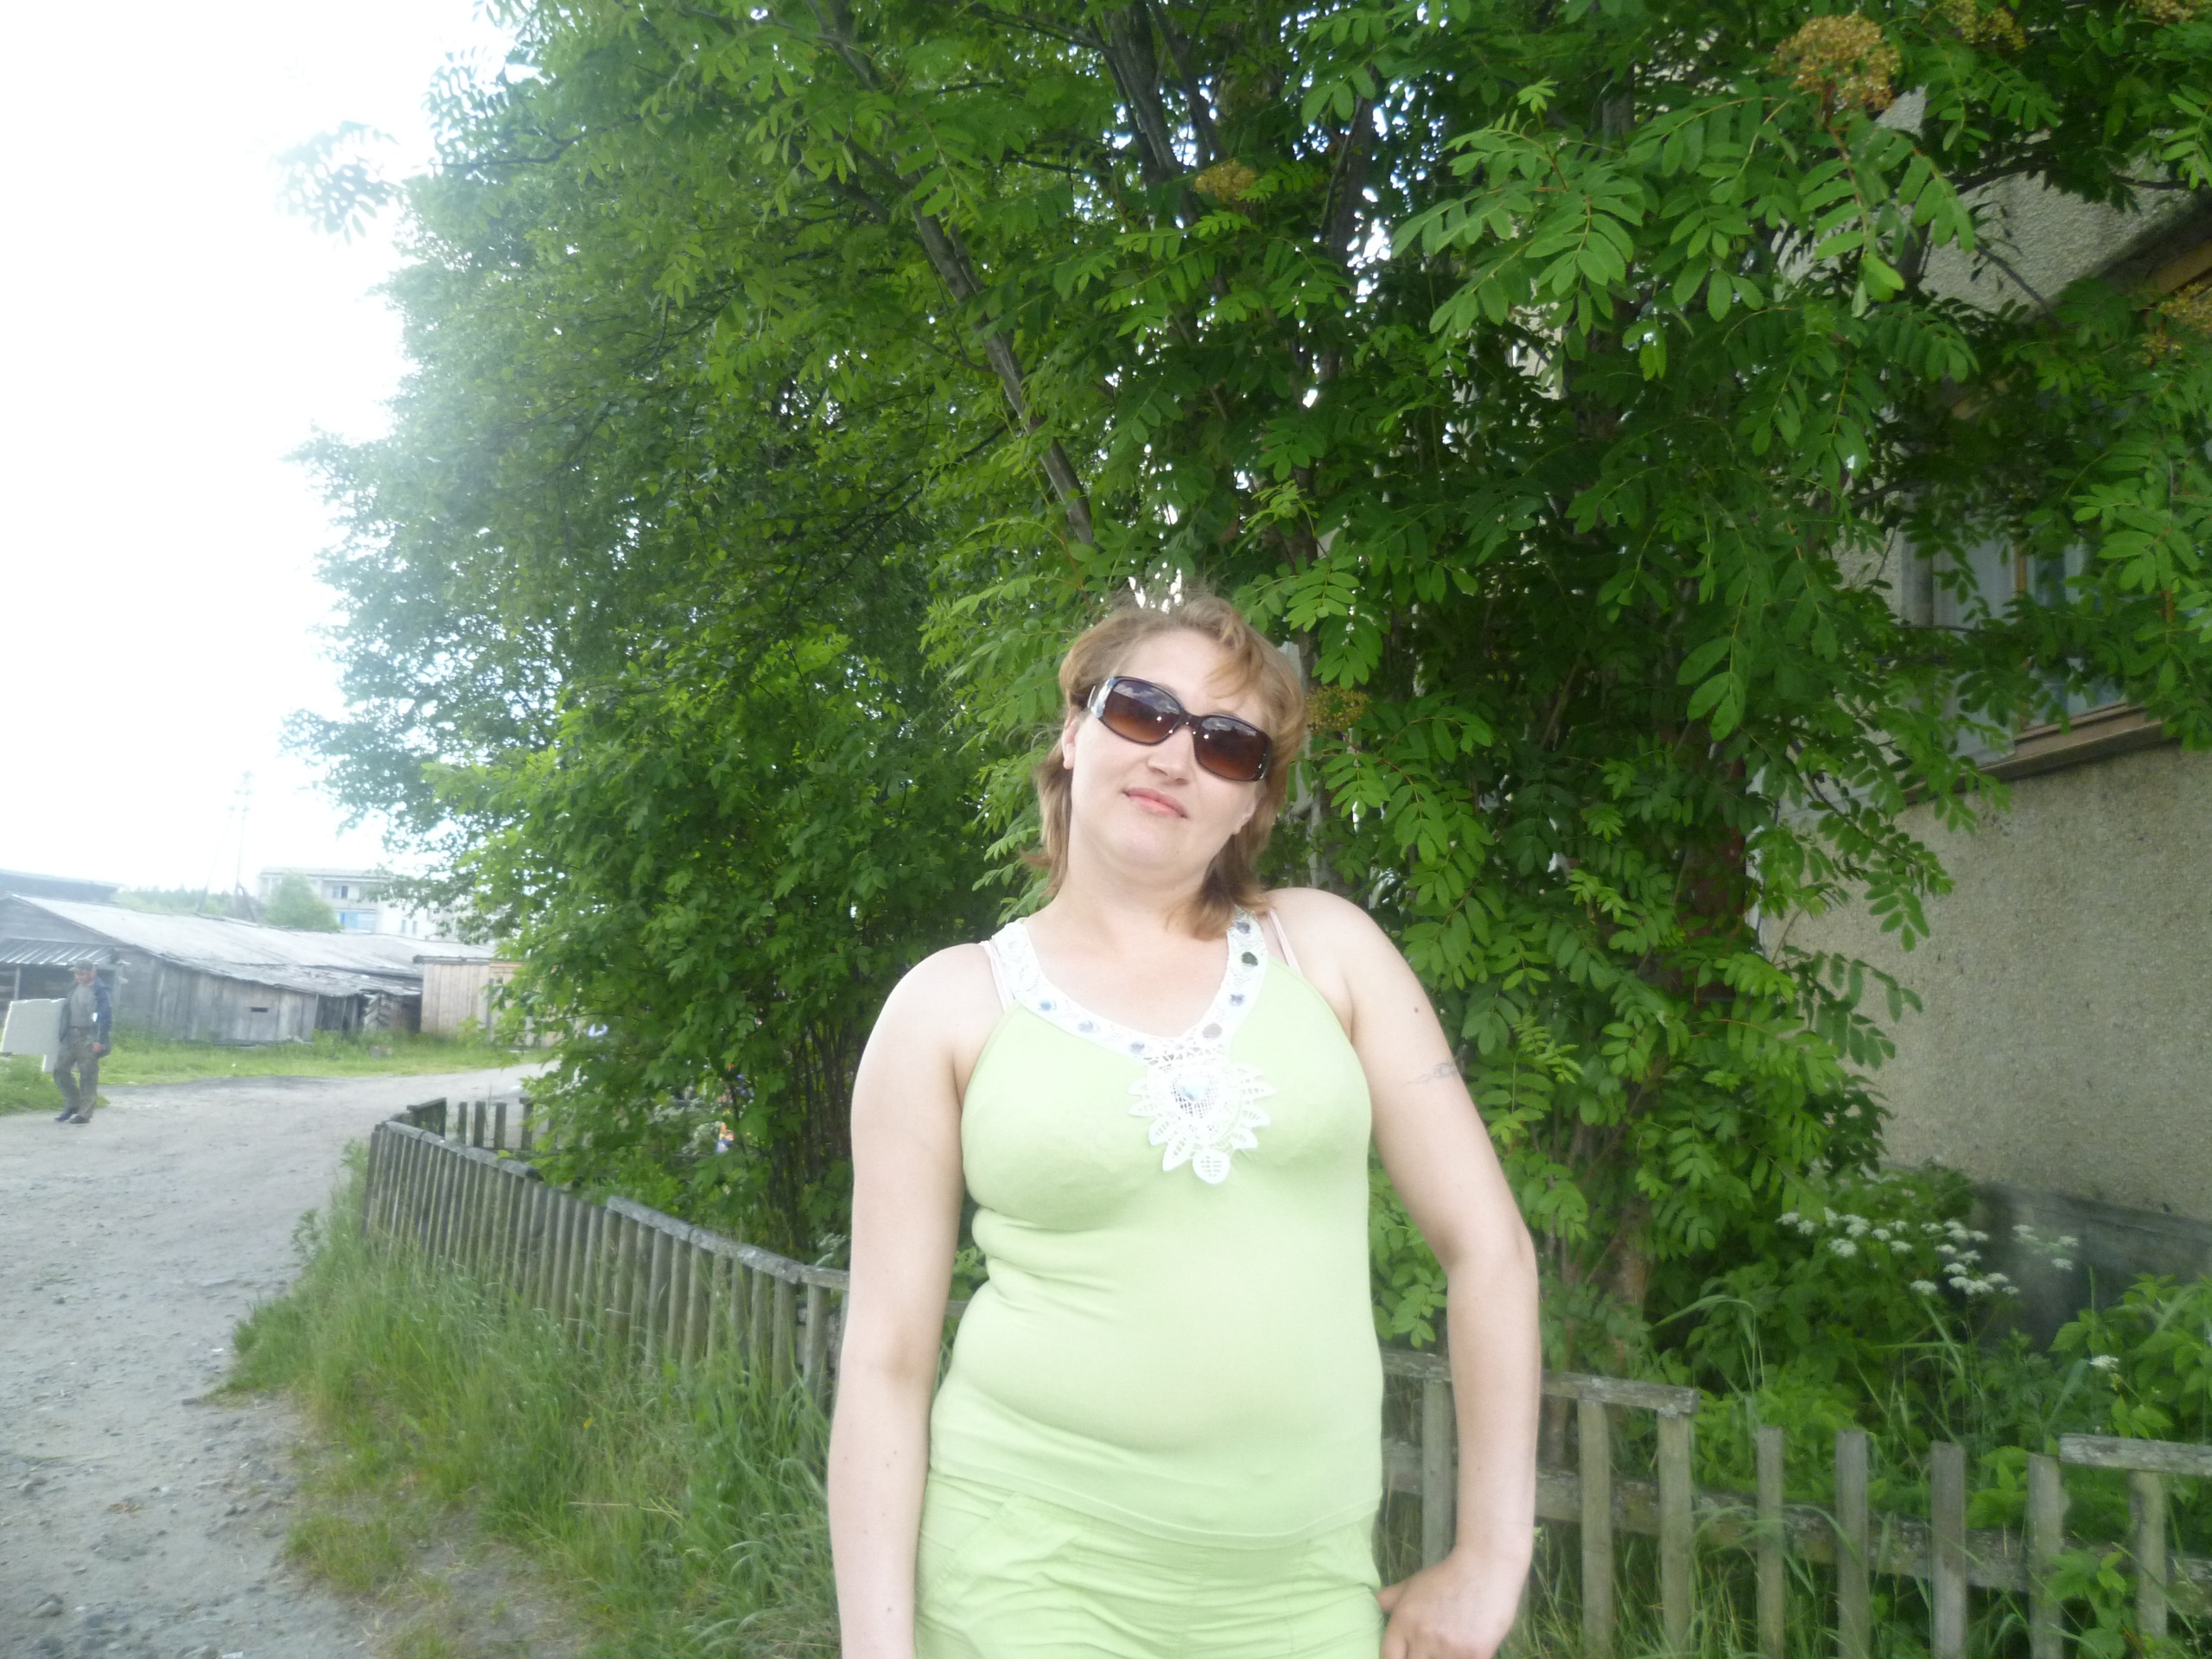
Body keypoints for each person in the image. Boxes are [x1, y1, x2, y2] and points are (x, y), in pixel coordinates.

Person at [829, 595, 1541, 1659]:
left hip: (1303, 1593)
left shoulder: (1329, 953)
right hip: (1021, 1580)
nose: (1173, 756)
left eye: (1226, 742)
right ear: (1074, 734)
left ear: (1252, 803)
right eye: (1141, 711)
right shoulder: (948, 1006)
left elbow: (1489, 1250)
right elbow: (886, 1360)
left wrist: (1491, 1556)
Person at [54, 961, 111, 1125]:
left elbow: (105, 1016)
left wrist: (100, 1040)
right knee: (60, 1071)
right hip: (70, 1035)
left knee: (88, 1075)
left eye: (82, 973)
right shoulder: (74, 986)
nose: (78, 976)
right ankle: (74, 1104)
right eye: (76, 973)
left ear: (92, 972)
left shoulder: (101, 990)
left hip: (89, 1036)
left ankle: (84, 1114)